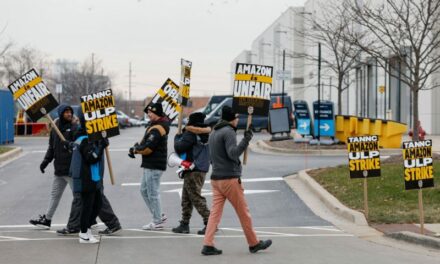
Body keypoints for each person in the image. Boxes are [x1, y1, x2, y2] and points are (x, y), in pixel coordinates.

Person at [201, 106, 272, 255]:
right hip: (229, 179)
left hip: (216, 179)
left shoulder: (214, 131)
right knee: (243, 213)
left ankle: (207, 244)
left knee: (215, 213)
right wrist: (246, 139)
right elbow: (233, 154)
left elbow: (212, 156)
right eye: (237, 117)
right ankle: (253, 243)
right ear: (231, 118)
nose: (238, 120)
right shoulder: (228, 132)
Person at [29, 105, 78, 229]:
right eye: (66, 112)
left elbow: (79, 146)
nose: (69, 114)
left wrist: (70, 145)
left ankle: (90, 220)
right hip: (59, 170)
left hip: (71, 169)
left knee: (79, 197)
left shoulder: (74, 127)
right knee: (54, 195)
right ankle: (47, 220)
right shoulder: (55, 128)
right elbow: (51, 147)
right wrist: (46, 161)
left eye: (70, 112)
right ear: (61, 114)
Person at [129, 103, 170, 230]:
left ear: (157, 113)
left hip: (154, 165)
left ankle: (157, 221)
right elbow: (146, 144)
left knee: (152, 193)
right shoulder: (154, 126)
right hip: (150, 164)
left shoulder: (157, 129)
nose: (148, 114)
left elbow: (148, 148)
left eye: (151, 112)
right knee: (144, 190)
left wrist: (136, 150)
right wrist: (137, 147)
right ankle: (158, 215)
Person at [70, 111, 108, 243]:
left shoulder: (88, 138)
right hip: (85, 178)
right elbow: (91, 158)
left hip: (93, 177)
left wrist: (101, 143)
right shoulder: (83, 139)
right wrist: (101, 146)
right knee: (88, 206)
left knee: (97, 204)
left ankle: (87, 230)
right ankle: (84, 233)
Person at [172, 112, 211, 235]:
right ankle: (184, 223)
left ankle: (210, 223)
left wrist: (177, 137)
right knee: (187, 197)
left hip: (192, 169)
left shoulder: (191, 133)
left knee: (195, 197)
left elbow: (179, 147)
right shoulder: (206, 133)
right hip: (201, 168)